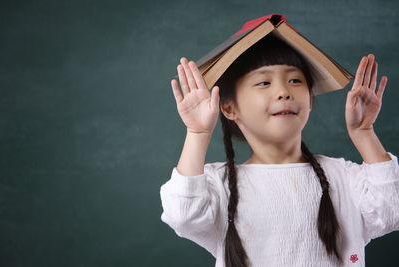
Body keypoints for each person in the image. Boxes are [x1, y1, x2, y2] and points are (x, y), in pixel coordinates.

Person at [159, 33, 399, 266]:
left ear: (311, 100)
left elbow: (392, 211)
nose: (284, 92)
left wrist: (364, 133)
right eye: (264, 82)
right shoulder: (220, 186)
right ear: (230, 108)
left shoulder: (344, 177)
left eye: (295, 80)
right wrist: (198, 133)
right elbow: (184, 215)